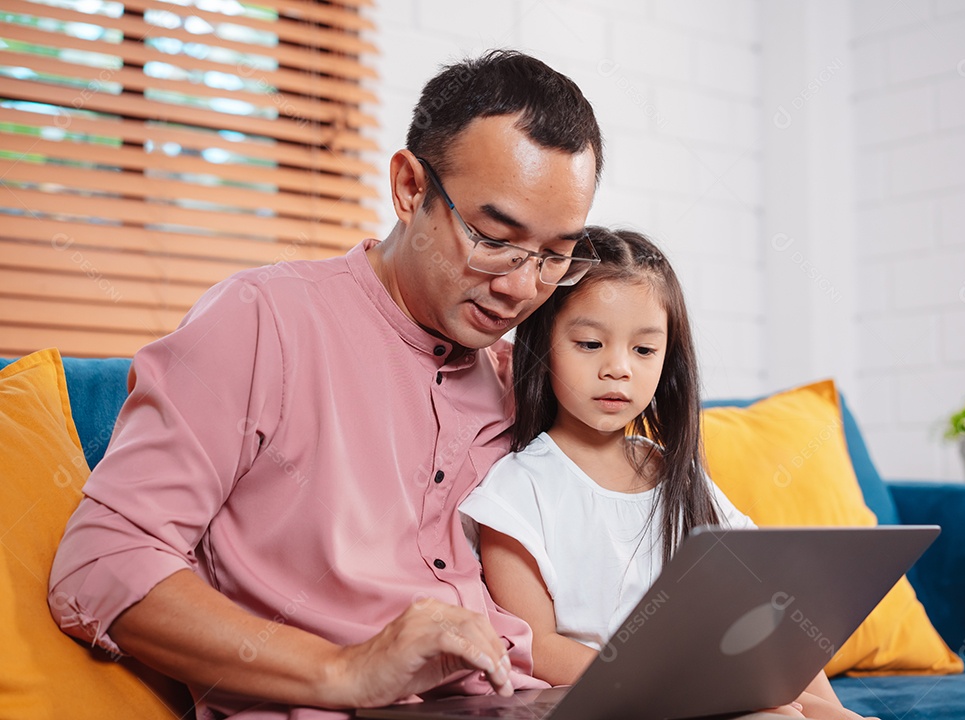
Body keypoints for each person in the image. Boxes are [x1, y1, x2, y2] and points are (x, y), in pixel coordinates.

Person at [47, 50, 603, 719]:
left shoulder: (524, 380)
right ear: (408, 189)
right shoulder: (261, 321)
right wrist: (346, 669)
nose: (520, 287)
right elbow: (102, 559)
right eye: (492, 237)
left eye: (553, 256)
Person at [459, 228, 873, 720]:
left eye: (644, 350)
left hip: (706, 686)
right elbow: (536, 646)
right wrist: (670, 687)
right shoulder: (518, 489)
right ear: (543, 346)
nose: (618, 369)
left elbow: (764, 600)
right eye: (590, 344)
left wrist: (831, 709)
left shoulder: (674, 472)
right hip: (619, 699)